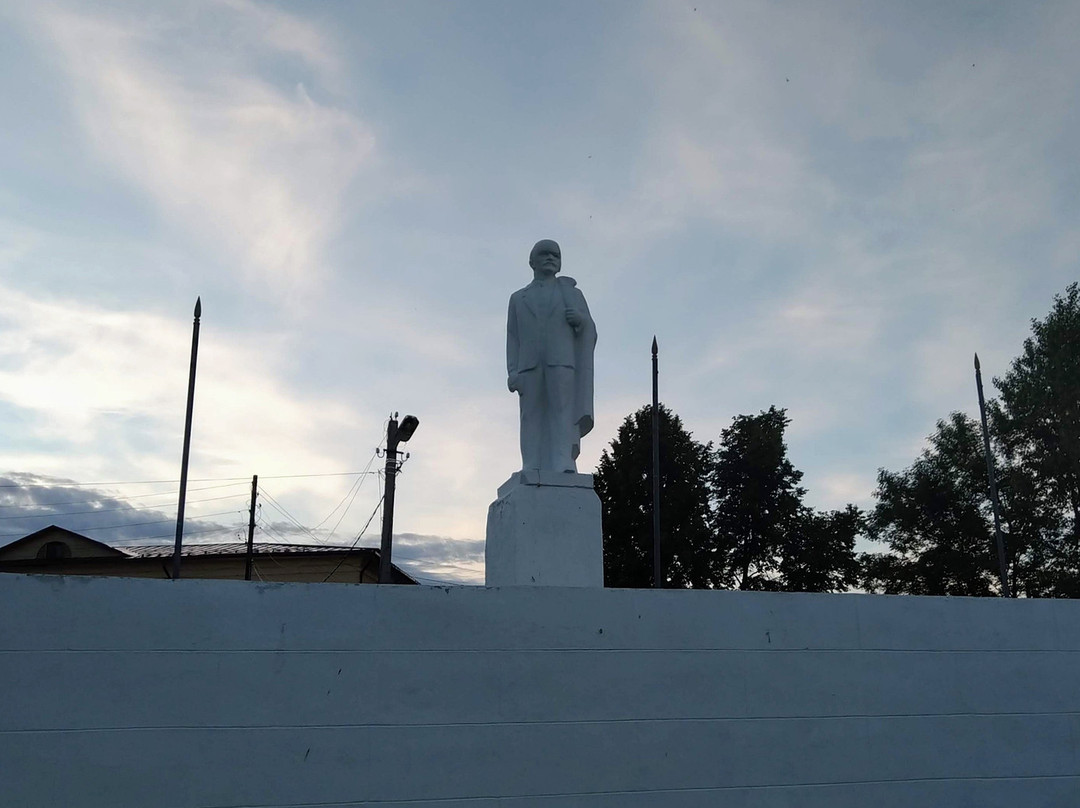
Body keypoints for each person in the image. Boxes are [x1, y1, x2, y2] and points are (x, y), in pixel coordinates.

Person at [506, 239, 596, 473]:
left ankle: (562, 461)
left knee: (562, 412)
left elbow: (590, 329)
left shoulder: (572, 294)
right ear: (532, 261)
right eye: (545, 254)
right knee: (530, 416)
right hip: (528, 366)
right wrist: (512, 371)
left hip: (562, 362)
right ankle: (531, 464)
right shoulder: (518, 298)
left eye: (555, 255)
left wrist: (581, 321)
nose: (550, 258)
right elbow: (513, 338)